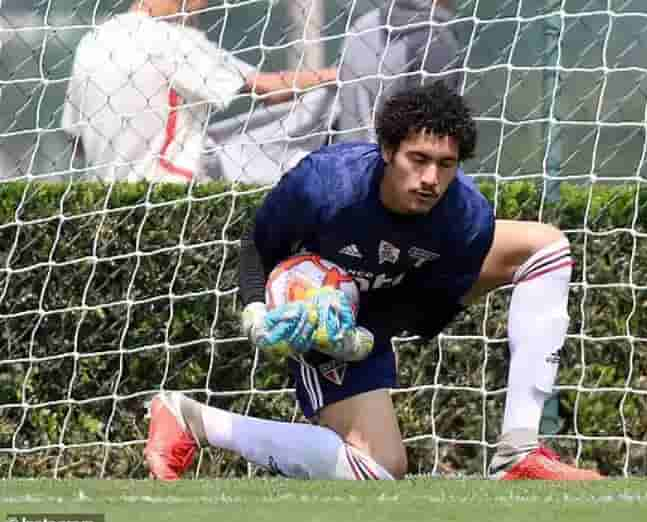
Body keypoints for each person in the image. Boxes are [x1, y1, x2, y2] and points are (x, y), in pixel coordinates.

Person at [144, 82, 604, 481]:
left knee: (547, 246)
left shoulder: (467, 217)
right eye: (418, 159)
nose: (430, 179)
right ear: (387, 151)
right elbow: (259, 243)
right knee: (381, 468)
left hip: (380, 307)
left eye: (445, 164)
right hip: (311, 314)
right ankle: (194, 421)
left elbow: (429, 309)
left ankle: (519, 449)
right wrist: (256, 309)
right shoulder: (325, 183)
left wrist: (363, 336)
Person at [61, 0, 337, 183]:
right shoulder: (172, 39)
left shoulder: (94, 40)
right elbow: (270, 90)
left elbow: (76, 141)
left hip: (102, 193)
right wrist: (339, 73)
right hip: (170, 189)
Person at [333, 0, 464, 144]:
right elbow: (431, 137)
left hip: (345, 155)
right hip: (388, 161)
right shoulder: (436, 42)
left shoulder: (361, 26)